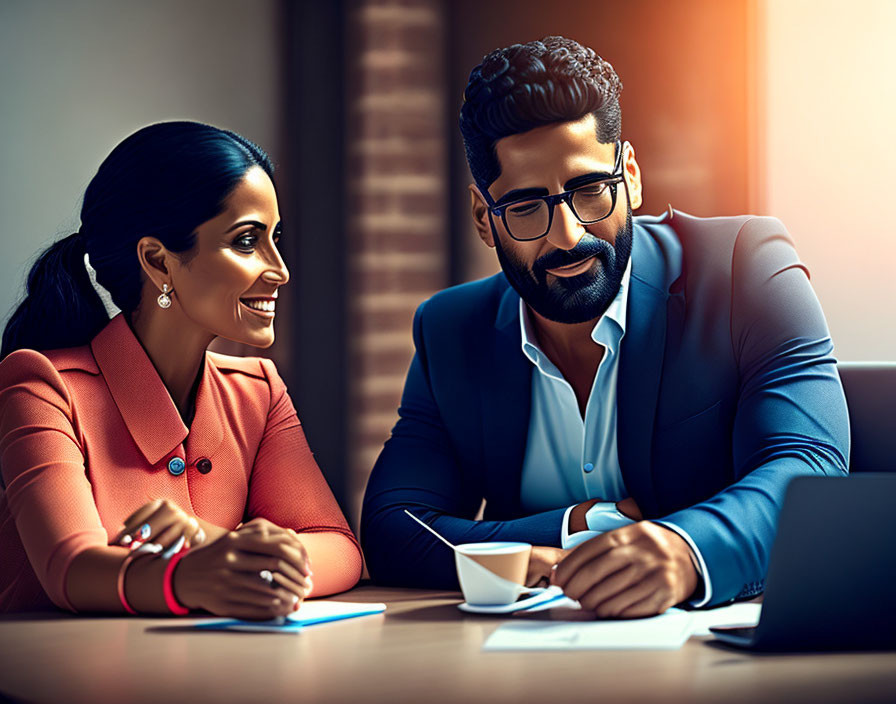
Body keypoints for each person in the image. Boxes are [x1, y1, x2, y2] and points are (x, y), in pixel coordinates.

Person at [361, 36, 849, 617]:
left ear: (632, 177)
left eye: (590, 191)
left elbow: (807, 466)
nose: (567, 235)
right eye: (525, 207)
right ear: (482, 220)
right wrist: (573, 529)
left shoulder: (748, 267)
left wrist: (687, 551)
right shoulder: (450, 329)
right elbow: (396, 527)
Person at [0, 121, 362, 617]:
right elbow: (72, 569)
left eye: (275, 237)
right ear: (158, 262)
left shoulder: (258, 391)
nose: (280, 269)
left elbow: (339, 549)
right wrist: (194, 574)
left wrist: (211, 541)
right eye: (246, 241)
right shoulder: (41, 388)